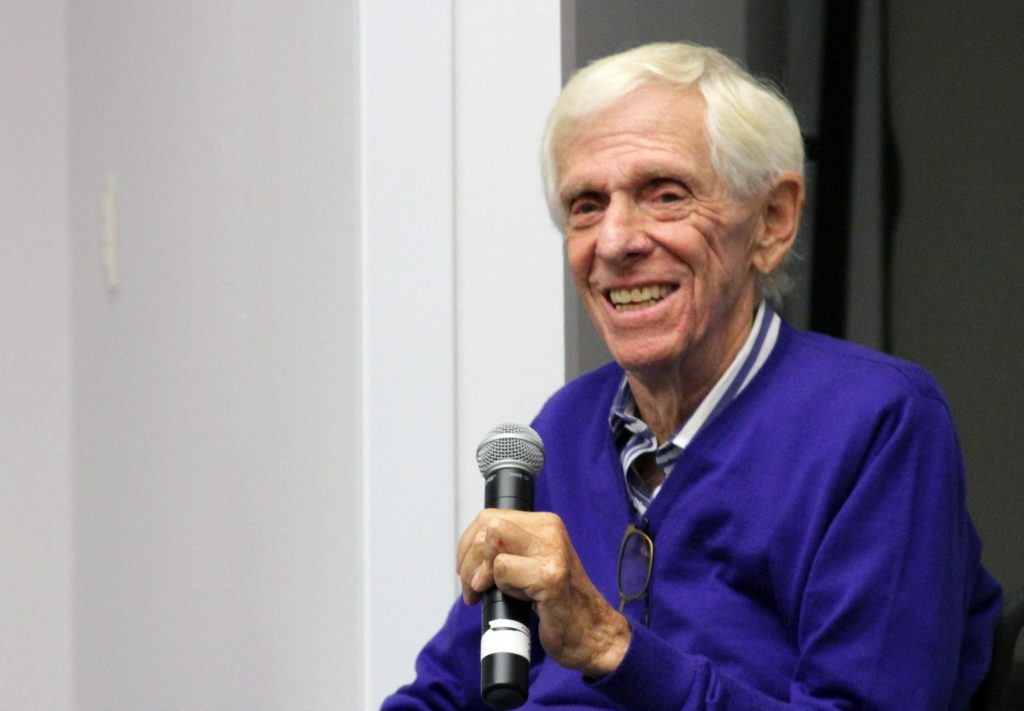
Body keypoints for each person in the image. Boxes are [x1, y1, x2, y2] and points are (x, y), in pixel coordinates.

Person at [381, 42, 1002, 710]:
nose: (616, 242)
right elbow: (442, 693)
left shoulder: (877, 424)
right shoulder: (562, 427)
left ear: (772, 220)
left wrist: (612, 650)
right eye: (587, 204)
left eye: (664, 195)